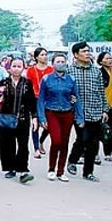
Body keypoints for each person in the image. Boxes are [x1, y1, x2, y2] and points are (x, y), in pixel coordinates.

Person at [66, 42, 109, 182]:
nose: (87, 53)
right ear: (76, 55)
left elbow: (101, 93)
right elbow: (65, 91)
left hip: (95, 111)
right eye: (84, 51)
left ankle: (88, 172)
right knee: (83, 138)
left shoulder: (96, 71)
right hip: (78, 112)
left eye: (88, 51)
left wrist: (104, 110)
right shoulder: (70, 71)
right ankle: (72, 160)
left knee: (93, 143)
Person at [37, 53, 83, 181]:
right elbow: (41, 100)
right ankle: (51, 168)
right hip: (52, 113)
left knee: (64, 142)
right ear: (53, 63)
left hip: (67, 113)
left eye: (63, 61)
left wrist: (80, 117)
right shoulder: (47, 79)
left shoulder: (71, 80)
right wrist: (42, 118)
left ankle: (60, 171)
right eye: (58, 61)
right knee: (56, 141)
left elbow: (76, 98)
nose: (60, 63)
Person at [0, 57, 37, 184]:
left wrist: (34, 117)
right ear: (9, 68)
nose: (16, 69)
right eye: (14, 66)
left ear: (23, 68)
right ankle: (10, 167)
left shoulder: (27, 83)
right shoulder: (4, 83)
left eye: (19, 66)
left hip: (22, 119)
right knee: (7, 145)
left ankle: (23, 170)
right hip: (7, 118)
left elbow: (31, 101)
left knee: (23, 145)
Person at [26, 47, 53, 158]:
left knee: (49, 125)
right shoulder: (31, 70)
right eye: (42, 54)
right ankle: (36, 148)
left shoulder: (51, 70)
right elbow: (27, 85)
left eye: (46, 54)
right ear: (36, 57)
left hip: (49, 100)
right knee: (35, 123)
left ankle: (41, 141)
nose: (44, 56)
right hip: (35, 99)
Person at [97, 51, 112, 161]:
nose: (109, 60)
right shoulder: (99, 73)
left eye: (110, 58)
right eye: (107, 58)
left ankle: (108, 152)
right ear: (101, 61)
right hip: (104, 105)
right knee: (101, 130)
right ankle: (95, 153)